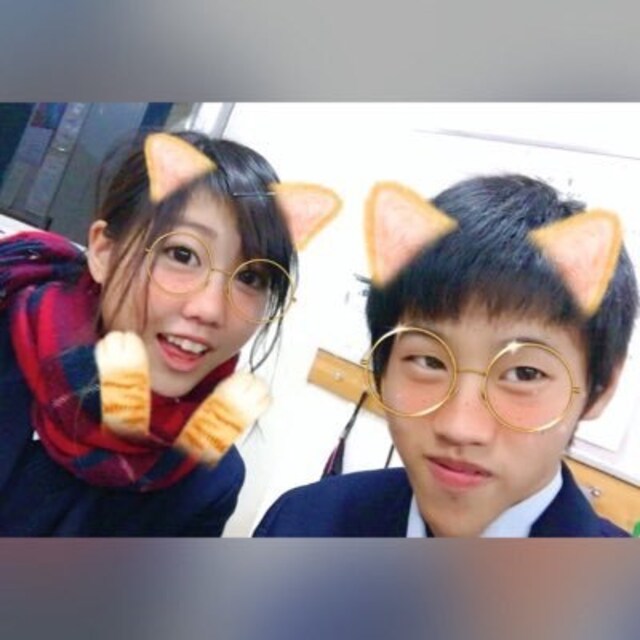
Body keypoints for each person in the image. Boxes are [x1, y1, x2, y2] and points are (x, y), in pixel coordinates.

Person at [254, 174, 638, 537]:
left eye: (524, 373)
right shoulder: (301, 521)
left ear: (600, 389)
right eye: (430, 362)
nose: (459, 426)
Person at [0, 130, 336, 536]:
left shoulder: (205, 483)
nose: (210, 309)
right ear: (104, 253)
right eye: (182, 254)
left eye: (251, 277)